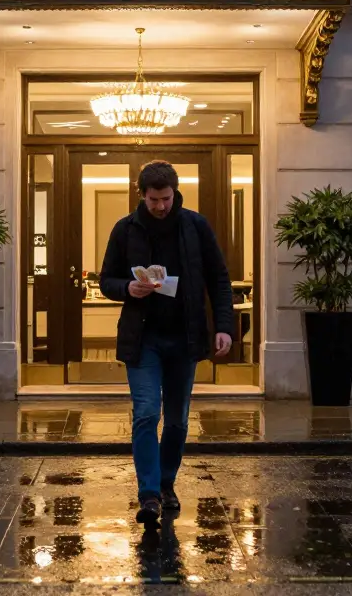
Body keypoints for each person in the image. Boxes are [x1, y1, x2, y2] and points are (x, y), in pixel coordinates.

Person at [99, 160, 234, 526]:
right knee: (146, 413)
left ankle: (165, 482)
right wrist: (127, 287)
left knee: (176, 421)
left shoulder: (195, 225)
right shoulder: (125, 230)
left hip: (185, 338)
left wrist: (224, 327)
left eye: (167, 198)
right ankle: (149, 495)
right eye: (154, 199)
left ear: (175, 192)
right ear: (141, 195)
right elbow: (105, 279)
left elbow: (219, 279)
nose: (161, 206)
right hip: (143, 339)